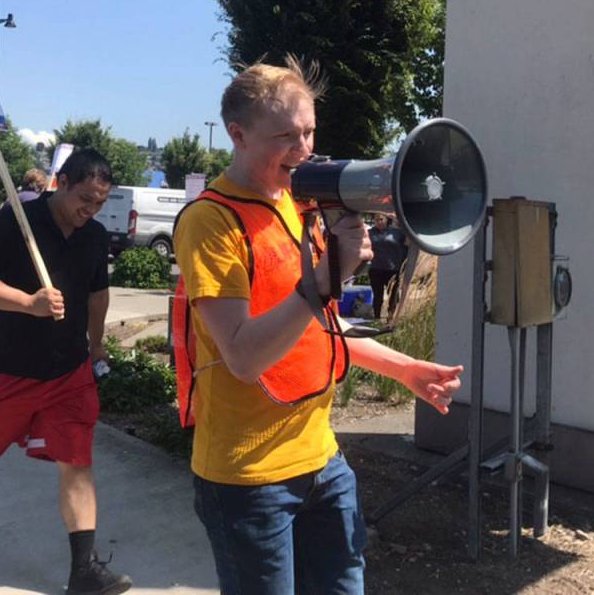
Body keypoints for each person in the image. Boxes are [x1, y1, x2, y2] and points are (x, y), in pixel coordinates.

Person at [173, 56, 464, 594]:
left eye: (309, 131)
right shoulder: (211, 222)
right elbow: (243, 356)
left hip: (322, 461)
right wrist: (326, 280)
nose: (304, 149)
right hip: (248, 477)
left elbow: (315, 330)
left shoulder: (297, 205)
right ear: (236, 134)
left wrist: (404, 369)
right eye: (285, 136)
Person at [0, 149, 131, 595]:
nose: (91, 209)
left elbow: (96, 296)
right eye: (85, 197)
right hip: (10, 367)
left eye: (100, 202)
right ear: (61, 182)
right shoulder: (18, 221)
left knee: (77, 461)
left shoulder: (93, 236)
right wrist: (27, 303)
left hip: (69, 371)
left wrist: (96, 342)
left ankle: (84, 569)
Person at [368, 214, 409, 320]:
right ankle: (376, 318)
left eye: (381, 219)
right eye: (376, 220)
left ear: (386, 220)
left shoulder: (396, 232)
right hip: (376, 269)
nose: (379, 222)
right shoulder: (370, 233)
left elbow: (408, 243)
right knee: (377, 296)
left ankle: (391, 317)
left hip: (393, 269)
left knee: (394, 295)